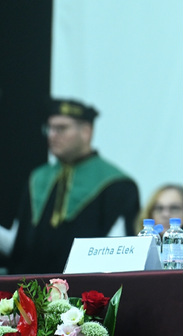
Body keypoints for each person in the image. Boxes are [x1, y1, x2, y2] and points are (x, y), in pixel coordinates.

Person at [9, 98, 140, 275]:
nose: (52, 135)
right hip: (31, 285)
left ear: (86, 132)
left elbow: (122, 253)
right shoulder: (38, 178)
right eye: (49, 128)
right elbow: (20, 244)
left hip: (87, 287)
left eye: (61, 128)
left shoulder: (117, 185)